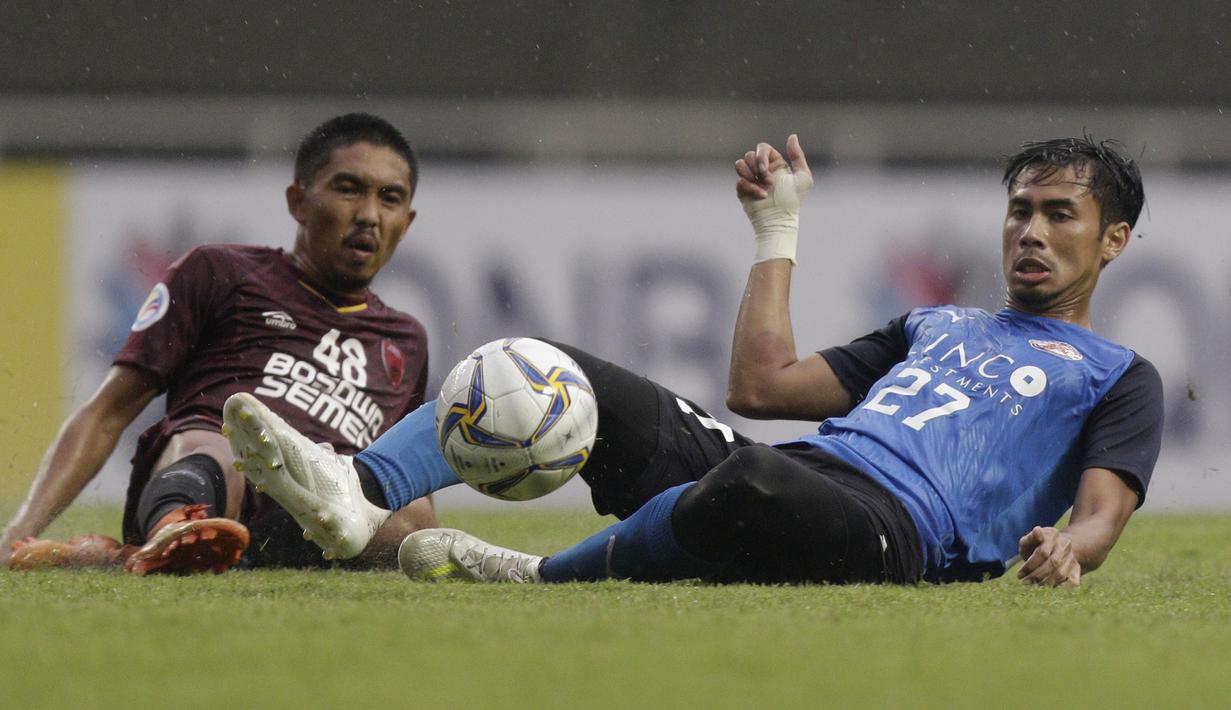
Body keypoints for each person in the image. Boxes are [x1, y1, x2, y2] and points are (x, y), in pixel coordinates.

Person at [222, 133, 1162, 587]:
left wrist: (1065, 549)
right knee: (541, 363)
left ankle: (540, 578)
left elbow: (1101, 515)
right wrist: (776, 225)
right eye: (1019, 211)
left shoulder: (1118, 374)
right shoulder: (936, 324)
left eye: (1058, 215)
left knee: (747, 484)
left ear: (1112, 239)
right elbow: (762, 388)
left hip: (898, 538)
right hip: (799, 474)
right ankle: (356, 490)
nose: (1030, 232)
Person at [3, 113, 437, 574]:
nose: (369, 215)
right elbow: (107, 411)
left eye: (390, 198)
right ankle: (178, 531)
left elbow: (400, 475)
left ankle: (146, 559)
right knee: (220, 447)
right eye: (349, 189)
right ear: (299, 201)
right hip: (211, 483)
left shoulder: (406, 340)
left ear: (406, 221)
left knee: (414, 517)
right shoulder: (221, 272)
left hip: (312, 526)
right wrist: (18, 532)